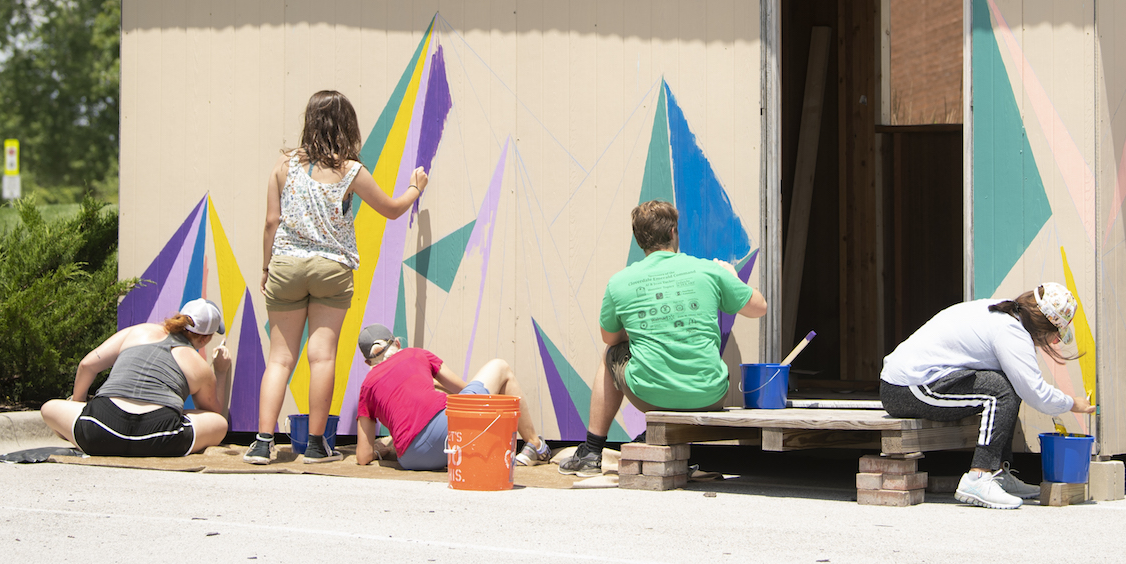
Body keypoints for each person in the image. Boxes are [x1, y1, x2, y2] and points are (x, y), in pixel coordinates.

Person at [242, 90, 429, 465]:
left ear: (309, 122)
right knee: (322, 357)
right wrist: (415, 188)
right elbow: (391, 210)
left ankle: (262, 443)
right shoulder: (351, 170)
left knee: (280, 359)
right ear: (348, 126)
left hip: (286, 266)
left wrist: (266, 268)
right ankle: (315, 446)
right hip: (331, 268)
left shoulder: (285, 166)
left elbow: (270, 222)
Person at [555, 199, 767, 475]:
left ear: (639, 240)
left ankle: (592, 450)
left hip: (649, 396)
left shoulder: (620, 282)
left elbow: (610, 338)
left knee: (611, 355)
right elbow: (759, 308)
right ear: (672, 232)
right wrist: (732, 276)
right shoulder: (709, 271)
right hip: (709, 394)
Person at [879, 286, 1097, 509]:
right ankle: (978, 478)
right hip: (906, 388)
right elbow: (1035, 392)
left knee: (1008, 383)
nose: (1053, 343)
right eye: (1055, 336)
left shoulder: (1005, 312)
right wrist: (1071, 403)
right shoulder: (1011, 331)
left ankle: (998, 474)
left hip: (912, 381)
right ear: (1043, 328)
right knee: (1001, 390)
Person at [41, 299, 233, 457]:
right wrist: (221, 372)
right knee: (219, 424)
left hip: (99, 430)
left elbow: (87, 365)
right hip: (158, 439)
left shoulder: (138, 331)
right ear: (205, 338)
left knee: (49, 407)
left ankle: (76, 431)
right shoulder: (198, 365)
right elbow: (214, 414)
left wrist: (78, 403)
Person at [352, 326, 553, 470]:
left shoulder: (367, 386)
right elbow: (464, 392)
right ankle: (536, 446)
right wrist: (436, 385)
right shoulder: (415, 353)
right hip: (448, 434)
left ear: (368, 361)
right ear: (397, 342)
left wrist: (381, 450)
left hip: (411, 458)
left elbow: (362, 456)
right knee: (500, 367)